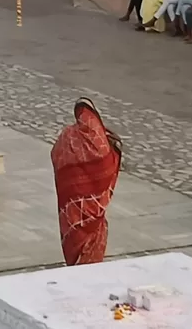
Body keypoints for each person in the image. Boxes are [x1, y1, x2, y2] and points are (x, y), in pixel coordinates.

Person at [50, 98, 123, 265]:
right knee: (92, 245)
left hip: (71, 206)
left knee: (74, 238)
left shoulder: (68, 136)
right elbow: (108, 161)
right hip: (93, 210)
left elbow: (56, 154)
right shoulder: (100, 141)